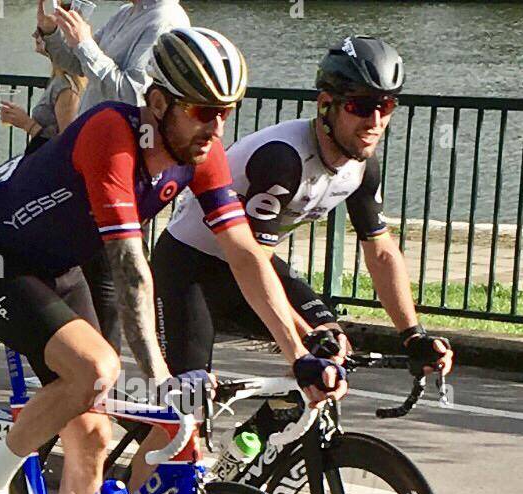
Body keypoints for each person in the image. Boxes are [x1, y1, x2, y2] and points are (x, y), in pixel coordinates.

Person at [0, 28, 346, 494]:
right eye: (202, 110)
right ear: (158, 102)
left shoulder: (203, 152)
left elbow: (246, 253)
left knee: (97, 436)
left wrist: (297, 350)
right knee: (95, 369)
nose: (216, 126)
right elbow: (134, 271)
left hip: (65, 264)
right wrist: (161, 377)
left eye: (226, 112)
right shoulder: (112, 132)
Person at [151, 35, 454, 414]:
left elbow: (380, 252)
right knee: (186, 407)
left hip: (248, 264)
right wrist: (302, 337)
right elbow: (253, 260)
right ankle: (147, 466)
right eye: (360, 106)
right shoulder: (283, 159)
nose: (375, 121)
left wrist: (413, 335)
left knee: (332, 351)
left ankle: (263, 453)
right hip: (189, 268)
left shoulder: (361, 167)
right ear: (326, 105)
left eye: (385, 105)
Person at [36, 0, 191, 356]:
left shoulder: (164, 20)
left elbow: (136, 95)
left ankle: (103, 375)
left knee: (106, 272)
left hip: (126, 159)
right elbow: (77, 65)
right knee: (82, 265)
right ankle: (85, 369)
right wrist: (52, 31)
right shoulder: (127, 12)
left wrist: (86, 44)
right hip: (92, 154)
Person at [0, 17, 85, 156]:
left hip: (51, 171)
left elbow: (66, 147)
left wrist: (27, 124)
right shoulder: (58, 79)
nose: (34, 34)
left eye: (41, 31)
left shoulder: (67, 88)